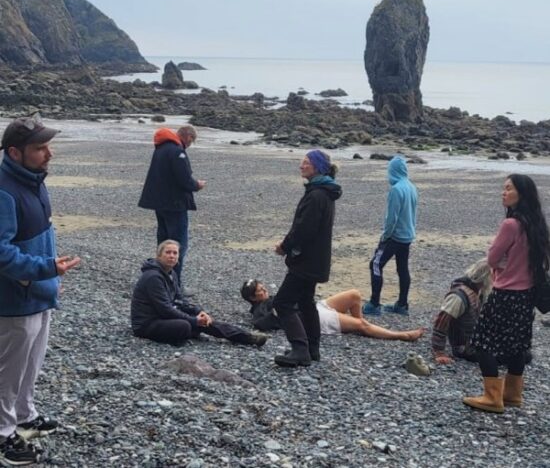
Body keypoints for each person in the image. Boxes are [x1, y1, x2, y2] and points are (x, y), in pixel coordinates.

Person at [0, 116, 81, 467]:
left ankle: (23, 414)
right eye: (40, 148)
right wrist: (43, 269)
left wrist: (51, 273)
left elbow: (39, 233)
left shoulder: (33, 181)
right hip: (14, 299)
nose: (49, 153)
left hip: (40, 291)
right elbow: (1, 251)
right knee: (9, 370)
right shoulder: (4, 190)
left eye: (48, 145)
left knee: (31, 362)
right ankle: (2, 436)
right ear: (15, 152)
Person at [463, 175, 550, 413]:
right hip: (527, 295)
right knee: (517, 344)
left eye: (508, 189)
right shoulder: (537, 224)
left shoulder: (510, 225)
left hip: (505, 292)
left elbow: (491, 258)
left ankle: (492, 397)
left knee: (482, 341)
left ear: (521, 193)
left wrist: (500, 259)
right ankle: (513, 394)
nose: (503, 192)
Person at [272, 150, 342, 367]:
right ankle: (312, 348)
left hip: (306, 260)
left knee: (282, 302)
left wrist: (285, 246)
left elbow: (304, 229)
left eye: (306, 163)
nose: (301, 166)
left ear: (318, 167)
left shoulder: (317, 195)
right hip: (315, 260)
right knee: (305, 302)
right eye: (301, 162)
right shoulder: (322, 192)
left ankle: (300, 349)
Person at [131, 240, 267, 347]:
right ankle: (191, 330)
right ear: (159, 255)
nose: (172, 256)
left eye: (175, 253)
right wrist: (194, 320)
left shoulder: (171, 273)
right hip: (147, 323)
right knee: (185, 325)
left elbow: (179, 299)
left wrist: (199, 312)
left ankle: (246, 337)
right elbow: (165, 309)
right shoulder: (153, 277)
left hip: (163, 317)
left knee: (204, 321)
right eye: (168, 252)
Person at [241, 280, 425, 341]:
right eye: (260, 291)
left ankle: (362, 326)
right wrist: (276, 311)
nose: (265, 291)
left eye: (264, 288)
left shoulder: (268, 299)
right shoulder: (261, 308)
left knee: (354, 295)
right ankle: (401, 335)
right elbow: (259, 323)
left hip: (315, 306)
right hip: (313, 317)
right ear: (253, 298)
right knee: (360, 324)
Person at [138, 124, 206, 291]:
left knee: (163, 242)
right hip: (174, 204)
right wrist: (196, 185)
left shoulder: (161, 148)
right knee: (177, 246)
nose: (191, 144)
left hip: (159, 202)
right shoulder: (177, 151)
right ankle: (174, 285)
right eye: (192, 140)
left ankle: (159, 280)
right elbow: (183, 179)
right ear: (188, 137)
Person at [363, 155, 417, 316]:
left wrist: (385, 236)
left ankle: (374, 303)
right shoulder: (411, 187)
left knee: (375, 265)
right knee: (402, 268)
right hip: (407, 236)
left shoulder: (396, 189)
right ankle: (402, 304)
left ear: (392, 171)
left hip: (394, 237)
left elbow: (391, 218)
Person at [431, 259, 492, 365]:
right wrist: (439, 351)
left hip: (475, 340)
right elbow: (441, 321)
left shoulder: (478, 292)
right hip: (464, 347)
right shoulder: (459, 296)